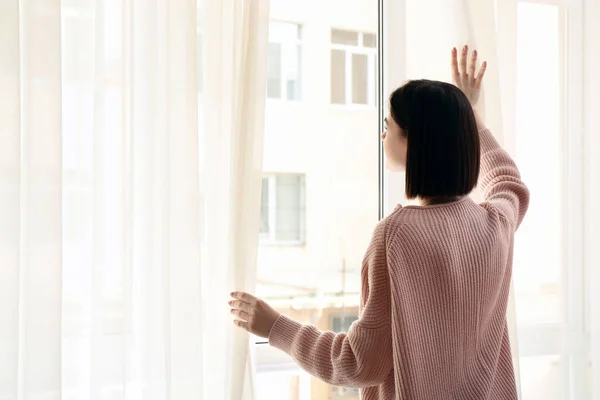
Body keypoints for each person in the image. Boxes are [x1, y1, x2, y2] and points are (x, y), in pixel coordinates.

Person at [228, 45, 529, 399]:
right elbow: (508, 182)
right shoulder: (494, 224)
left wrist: (276, 327)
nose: (383, 136)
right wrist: (472, 117)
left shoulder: (396, 237)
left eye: (388, 126)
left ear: (415, 143)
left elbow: (358, 363)